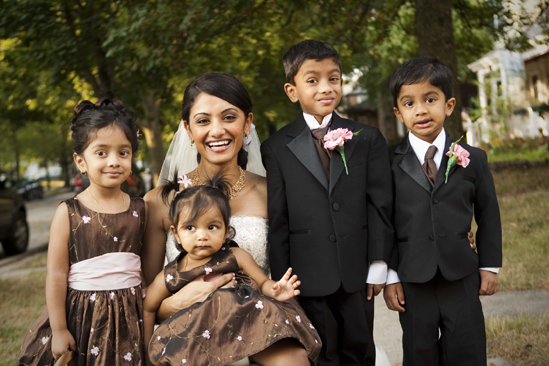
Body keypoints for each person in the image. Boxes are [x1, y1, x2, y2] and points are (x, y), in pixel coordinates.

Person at [142, 73, 306, 364]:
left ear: (247, 123)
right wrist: (175, 303)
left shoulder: (272, 193)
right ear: (188, 130)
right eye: (203, 121)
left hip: (257, 320)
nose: (217, 131)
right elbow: (144, 297)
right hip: (184, 330)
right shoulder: (159, 201)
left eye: (229, 117)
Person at [261, 40, 394, 365]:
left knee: (360, 351)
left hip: (356, 272)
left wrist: (378, 262)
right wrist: (283, 278)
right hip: (307, 275)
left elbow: (380, 206)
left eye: (333, 78)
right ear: (292, 90)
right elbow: (279, 218)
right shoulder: (277, 147)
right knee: (321, 353)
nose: (325, 87)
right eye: (313, 80)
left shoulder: (366, 138)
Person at [383, 56, 502, 366]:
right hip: (412, 278)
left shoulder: (473, 159)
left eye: (430, 99)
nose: (420, 110)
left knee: (467, 349)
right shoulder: (387, 162)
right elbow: (384, 221)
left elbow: (488, 214)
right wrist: (390, 276)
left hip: (461, 274)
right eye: (409, 103)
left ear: (449, 105)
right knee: (419, 354)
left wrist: (490, 266)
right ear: (398, 112)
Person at [18, 99, 146, 365]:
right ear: (81, 161)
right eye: (101, 153)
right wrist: (59, 329)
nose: (114, 161)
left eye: (123, 152)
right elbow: (56, 273)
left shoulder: (140, 208)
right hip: (85, 315)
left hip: (131, 313)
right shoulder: (69, 212)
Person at [143, 175, 321, 366]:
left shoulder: (235, 255)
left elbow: (262, 282)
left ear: (226, 230)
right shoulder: (171, 275)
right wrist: (145, 354)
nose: (202, 235)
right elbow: (148, 307)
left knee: (295, 359)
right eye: (190, 227)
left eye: (212, 227)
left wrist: (275, 289)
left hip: (248, 329)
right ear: (176, 233)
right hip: (198, 342)